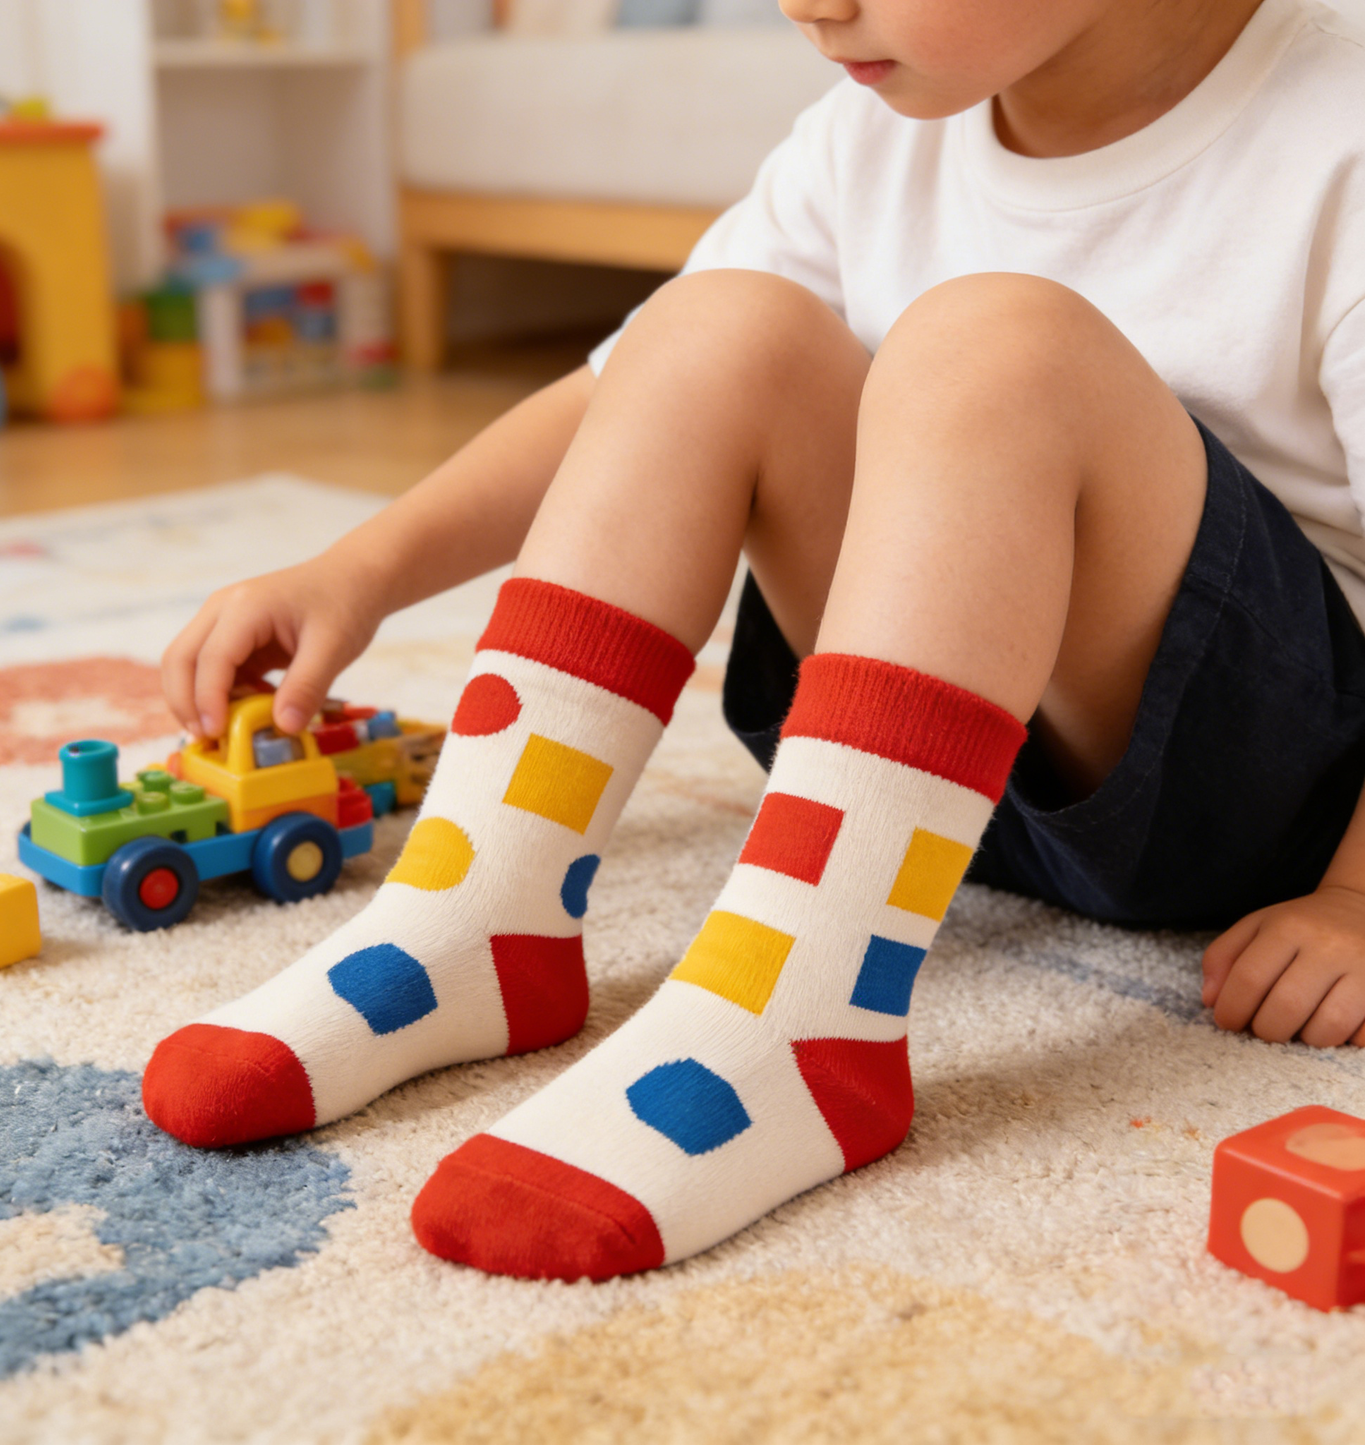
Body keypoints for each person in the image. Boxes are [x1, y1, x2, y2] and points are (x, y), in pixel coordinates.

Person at [141, 0, 1365, 1281]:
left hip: (1243, 804)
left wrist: (1351, 897)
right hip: (911, 779)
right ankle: (478, 908)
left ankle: (800, 1016)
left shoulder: (1333, 133)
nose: (807, 3)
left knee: (995, 344)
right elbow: (622, 394)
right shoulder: (870, 130)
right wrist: (364, 565)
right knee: (712, 323)